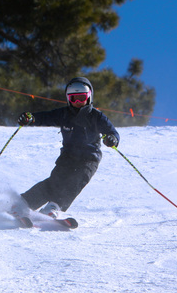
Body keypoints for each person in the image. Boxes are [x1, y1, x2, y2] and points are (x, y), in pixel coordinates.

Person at [13, 77, 119, 218]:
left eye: (82, 98)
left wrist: (112, 139)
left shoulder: (96, 116)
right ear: (68, 99)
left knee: (76, 182)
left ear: (89, 97)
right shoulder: (64, 114)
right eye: (74, 98)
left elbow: (112, 132)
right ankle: (23, 203)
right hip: (68, 156)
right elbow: (45, 117)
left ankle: (53, 207)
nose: (78, 102)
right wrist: (31, 118)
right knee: (54, 182)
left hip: (89, 158)